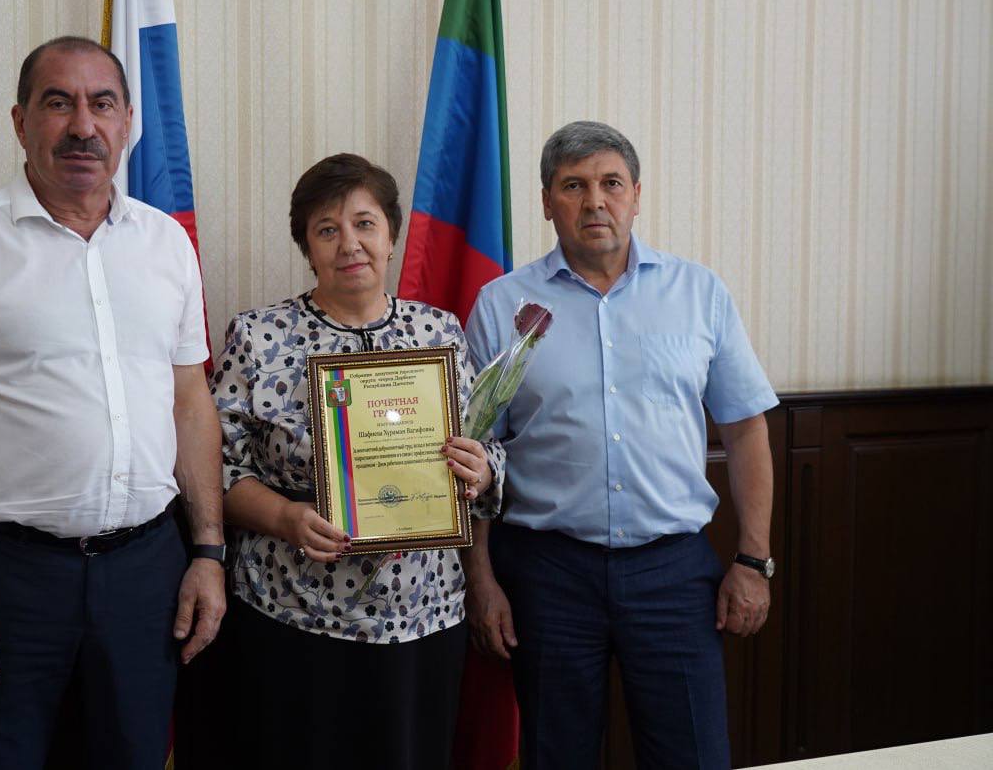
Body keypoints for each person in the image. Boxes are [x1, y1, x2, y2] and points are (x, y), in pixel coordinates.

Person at [0, 35, 226, 770]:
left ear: (127, 121)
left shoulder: (166, 244)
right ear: (20, 121)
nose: (82, 125)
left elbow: (190, 404)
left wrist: (207, 553)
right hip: (5, 578)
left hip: (146, 574)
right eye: (58, 103)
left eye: (102, 104)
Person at [463, 121, 778, 769]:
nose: (594, 201)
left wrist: (754, 559)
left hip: (673, 573)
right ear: (546, 201)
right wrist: (482, 578)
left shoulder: (699, 293)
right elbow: (475, 455)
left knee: (694, 754)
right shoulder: (500, 305)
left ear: (637, 195)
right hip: (547, 574)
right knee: (556, 754)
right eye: (573, 186)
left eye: (611, 183)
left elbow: (746, 428)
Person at [208, 154, 505, 770]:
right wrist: (286, 517)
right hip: (295, 613)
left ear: (392, 236)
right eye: (327, 229)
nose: (349, 244)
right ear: (307, 246)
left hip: (424, 617)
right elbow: (218, 471)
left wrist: (481, 470)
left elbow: (487, 447)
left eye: (365, 224)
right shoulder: (259, 337)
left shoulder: (440, 333)